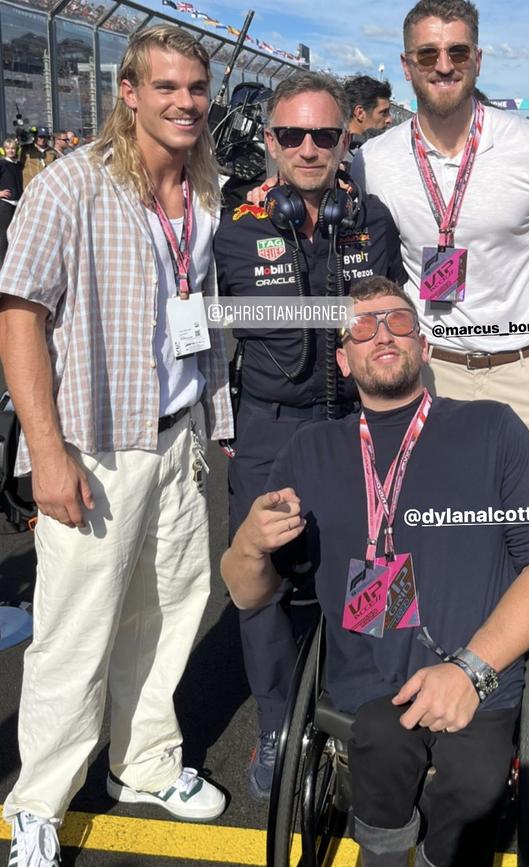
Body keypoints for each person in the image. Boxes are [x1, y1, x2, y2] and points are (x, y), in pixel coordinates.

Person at [349, 0, 529, 834]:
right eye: (427, 51)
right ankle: (387, 694)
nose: (443, 63)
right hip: (427, 376)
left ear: (476, 55)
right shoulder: (375, 158)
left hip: (522, 370)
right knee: (397, 529)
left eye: (456, 49)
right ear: (405, 62)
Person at [222, 276, 529, 867]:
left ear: (425, 346)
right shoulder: (312, 450)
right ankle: (382, 851)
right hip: (367, 687)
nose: (383, 334)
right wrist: (249, 546)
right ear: (343, 358)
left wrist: (469, 671)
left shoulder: (491, 428)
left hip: (476, 678)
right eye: (363, 326)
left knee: (476, 784)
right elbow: (248, 593)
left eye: (399, 322)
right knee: (381, 741)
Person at [0, 24, 232, 867]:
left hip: (175, 438)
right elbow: (19, 313)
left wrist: (218, 423)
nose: (185, 103)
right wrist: (45, 451)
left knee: (169, 613)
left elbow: (198, 322)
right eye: (166, 87)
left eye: (196, 88)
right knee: (76, 629)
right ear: (128, 93)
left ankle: (145, 762)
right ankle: (37, 803)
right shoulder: (70, 186)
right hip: (94, 445)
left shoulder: (202, 194)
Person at [214, 70, 407, 801]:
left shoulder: (374, 221)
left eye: (324, 135)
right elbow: (195, 338)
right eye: (291, 134)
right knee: (261, 581)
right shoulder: (233, 230)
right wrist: (221, 421)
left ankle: (371, 706)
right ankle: (275, 726)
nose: (307, 147)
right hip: (271, 430)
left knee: (376, 563)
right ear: (270, 141)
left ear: (344, 140)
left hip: (358, 424)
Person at [0, 137, 23, 266]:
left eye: (13, 148)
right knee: (4, 235)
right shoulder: (2, 164)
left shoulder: (17, 165)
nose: (10, 151)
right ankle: (2, 264)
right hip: (5, 205)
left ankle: (12, 262)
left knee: (15, 234)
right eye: (8, 148)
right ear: (4, 150)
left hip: (17, 204)